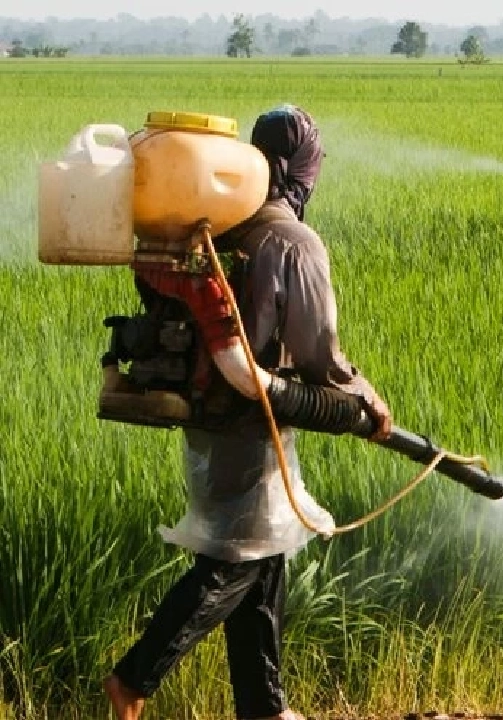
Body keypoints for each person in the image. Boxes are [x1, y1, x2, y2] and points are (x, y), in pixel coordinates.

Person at [104, 104, 392, 720]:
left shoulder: (219, 225)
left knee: (263, 551)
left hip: (210, 410)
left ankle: (265, 708)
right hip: (247, 409)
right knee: (234, 562)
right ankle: (134, 678)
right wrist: (363, 401)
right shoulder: (291, 240)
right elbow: (320, 359)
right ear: (304, 166)